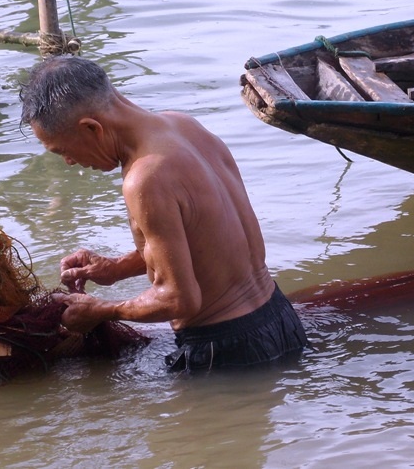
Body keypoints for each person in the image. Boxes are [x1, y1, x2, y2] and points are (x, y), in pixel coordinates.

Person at [20, 55, 307, 372]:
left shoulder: (144, 179)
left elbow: (179, 299)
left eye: (62, 150)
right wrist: (115, 269)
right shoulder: (184, 126)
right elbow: (203, 238)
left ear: (91, 128)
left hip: (226, 348)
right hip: (280, 317)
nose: (69, 162)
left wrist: (102, 310)